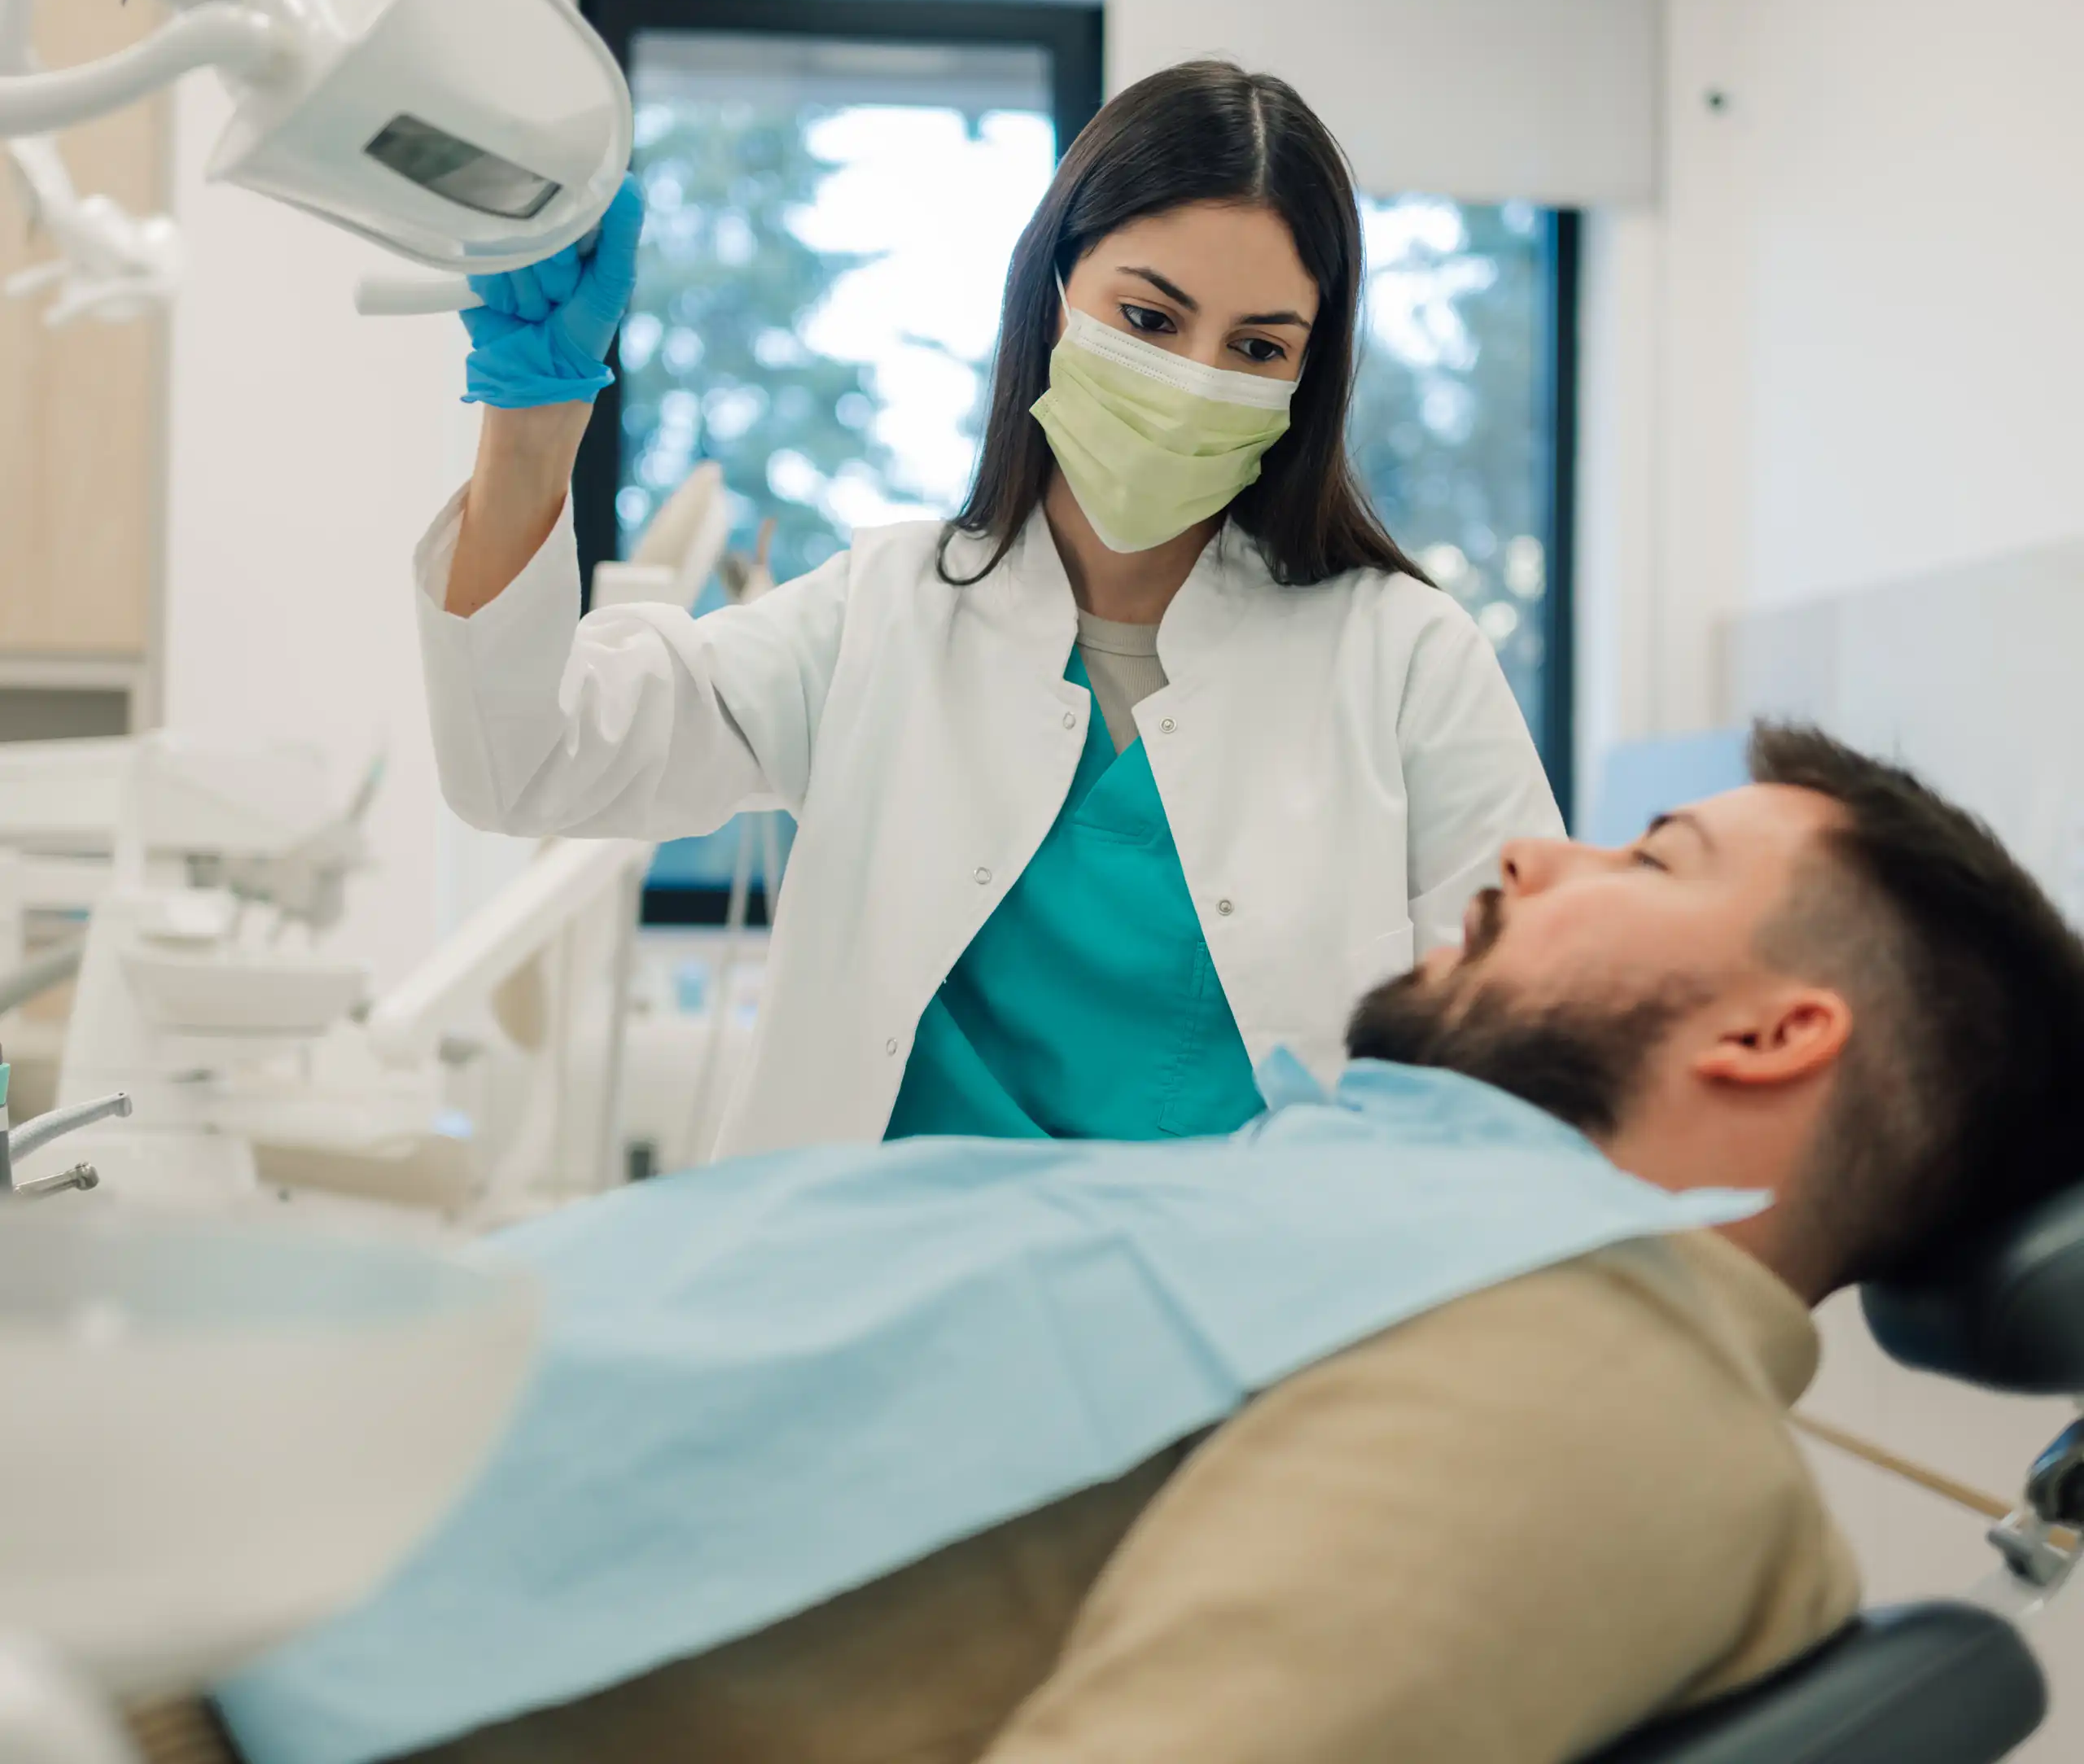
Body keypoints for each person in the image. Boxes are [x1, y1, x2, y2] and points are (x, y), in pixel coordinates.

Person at [170, 724, 2084, 1764]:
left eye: (1647, 860)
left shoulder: (1603, 1387)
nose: (1526, 857)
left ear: (1771, 1036)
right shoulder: (1402, 1219)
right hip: (194, 1562)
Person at [420, 59, 1562, 1155]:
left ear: (1307, 379)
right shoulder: (880, 617)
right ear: (1055, 293)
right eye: (1152, 320)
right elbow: (524, 765)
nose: (1194, 380)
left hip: (1243, 1323)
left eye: (1257, 347)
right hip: (895, 1312)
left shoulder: (1405, 659)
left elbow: (1524, 1047)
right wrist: (532, 423)